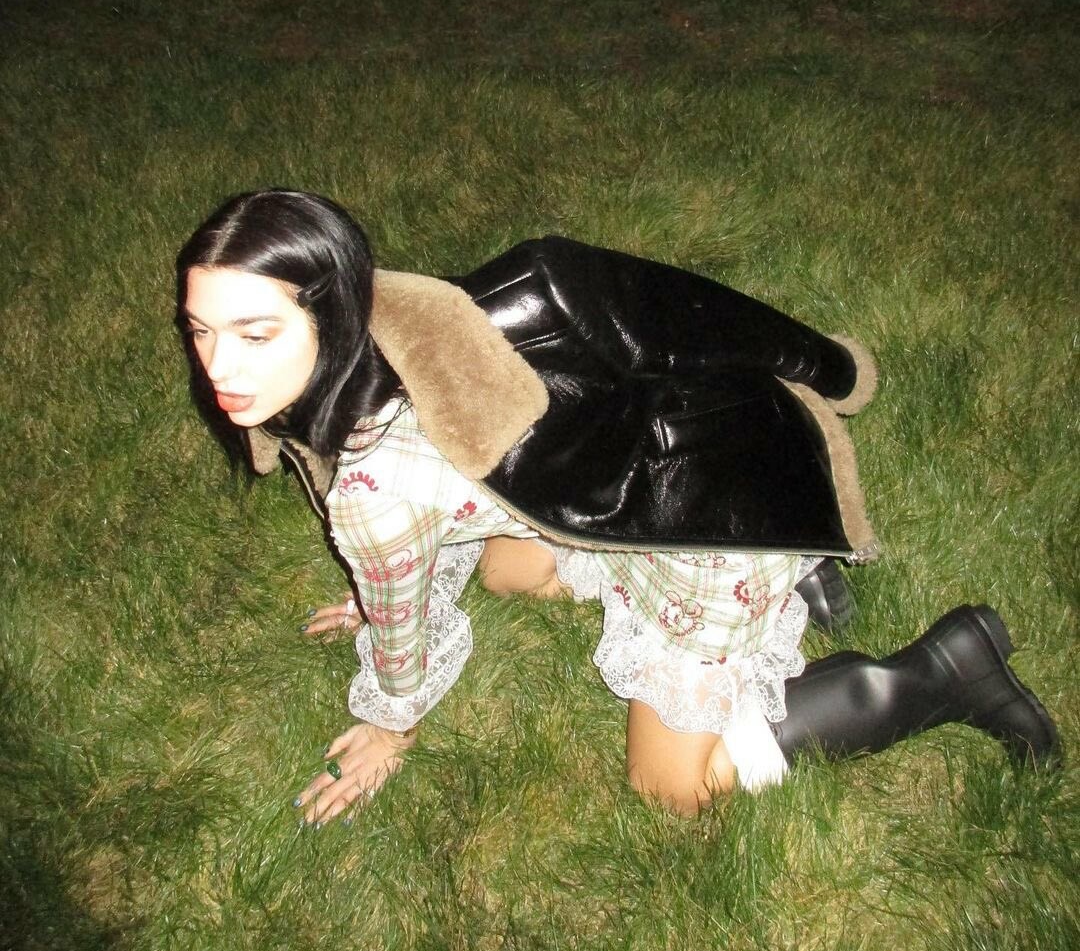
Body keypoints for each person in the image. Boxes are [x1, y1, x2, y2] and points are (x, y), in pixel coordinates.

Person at [176, 190, 1060, 823]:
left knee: (674, 791)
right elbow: (444, 487)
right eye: (202, 330)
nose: (220, 368)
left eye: (257, 334)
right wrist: (387, 577)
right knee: (509, 571)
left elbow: (400, 625)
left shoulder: (375, 496)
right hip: (708, 444)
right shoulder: (414, 315)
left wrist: (389, 719)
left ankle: (938, 674)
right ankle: (802, 584)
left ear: (331, 312)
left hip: (721, 512)